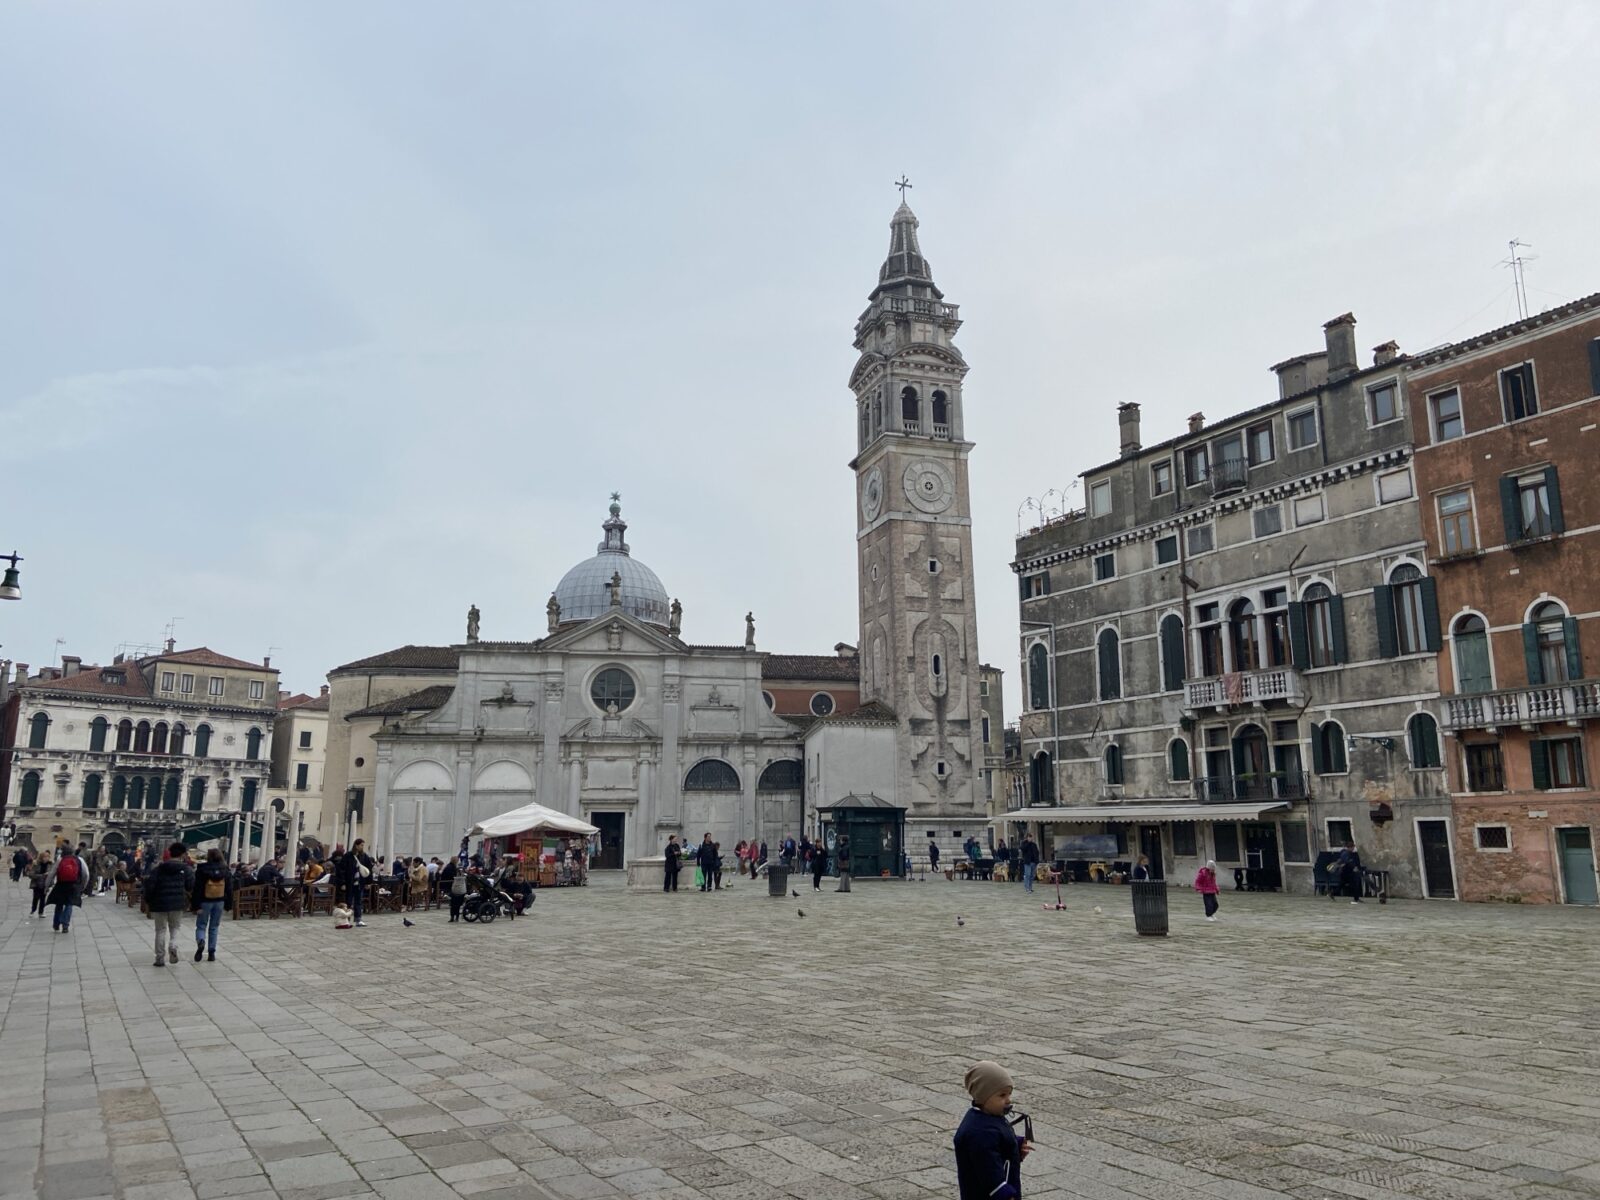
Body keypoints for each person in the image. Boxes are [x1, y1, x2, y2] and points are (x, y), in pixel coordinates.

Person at [953, 1060, 1030, 1200]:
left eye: (1009, 1094)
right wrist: (1006, 1195)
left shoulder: (990, 1116)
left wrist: (1015, 1146)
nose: (1008, 1100)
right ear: (983, 1097)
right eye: (1002, 1095)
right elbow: (989, 1173)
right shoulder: (979, 1132)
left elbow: (998, 1140)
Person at [146, 842, 194, 964]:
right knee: (175, 928)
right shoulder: (186, 869)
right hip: (177, 903)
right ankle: (173, 945)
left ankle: (160, 957)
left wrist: (148, 901)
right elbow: (190, 886)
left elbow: (150, 886)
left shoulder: (158, 869)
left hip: (159, 903)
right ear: (183, 854)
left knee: (160, 930)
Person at [190, 848, 232, 962]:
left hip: (205, 901)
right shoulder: (225, 869)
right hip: (219, 901)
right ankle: (212, 952)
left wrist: (195, 905)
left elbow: (197, 888)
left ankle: (201, 941)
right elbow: (229, 888)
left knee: (201, 925)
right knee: (214, 927)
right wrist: (229, 904)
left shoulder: (202, 869)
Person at [45, 846, 87, 933]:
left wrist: (47, 886)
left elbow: (52, 873)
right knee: (69, 904)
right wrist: (82, 886)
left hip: (61, 884)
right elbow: (86, 874)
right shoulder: (79, 860)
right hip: (73, 885)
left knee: (59, 904)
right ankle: (65, 925)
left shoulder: (60, 859)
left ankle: (56, 924)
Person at [337, 838, 373, 926]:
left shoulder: (364, 856)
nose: (362, 847)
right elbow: (341, 870)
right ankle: (346, 919)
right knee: (348, 901)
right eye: (361, 845)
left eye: (363, 845)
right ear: (356, 845)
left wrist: (368, 882)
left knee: (358, 901)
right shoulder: (348, 856)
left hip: (360, 883)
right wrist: (342, 883)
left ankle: (358, 919)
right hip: (350, 882)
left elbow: (369, 869)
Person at [29, 852, 53, 918]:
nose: (46, 858)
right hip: (36, 884)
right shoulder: (36, 864)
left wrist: (50, 883)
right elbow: (31, 874)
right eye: (44, 857)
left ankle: (41, 912)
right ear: (41, 857)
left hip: (45, 885)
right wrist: (42, 875)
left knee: (43, 899)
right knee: (36, 898)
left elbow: (52, 875)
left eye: (47, 857)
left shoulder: (50, 865)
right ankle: (33, 910)